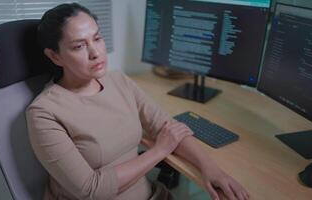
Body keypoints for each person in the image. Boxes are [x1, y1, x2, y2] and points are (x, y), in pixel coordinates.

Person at [26, 3, 250, 200]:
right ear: (55, 56)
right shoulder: (44, 112)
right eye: (79, 46)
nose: (95, 52)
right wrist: (160, 150)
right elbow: (91, 190)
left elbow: (167, 128)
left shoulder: (118, 80)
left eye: (97, 38)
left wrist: (210, 168)